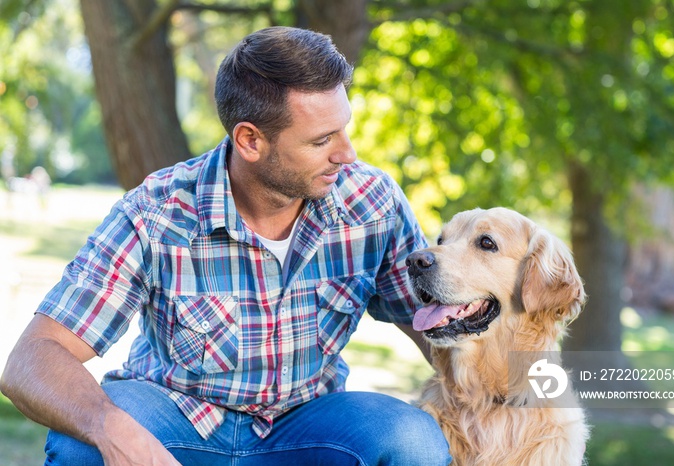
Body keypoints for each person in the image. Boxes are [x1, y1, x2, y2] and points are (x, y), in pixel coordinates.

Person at [0, 26, 451, 465]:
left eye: (343, 129)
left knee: (415, 441)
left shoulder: (372, 203)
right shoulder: (155, 213)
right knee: (83, 446)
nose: (347, 153)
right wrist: (109, 427)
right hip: (177, 418)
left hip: (311, 425)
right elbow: (31, 359)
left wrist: (520, 393)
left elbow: (444, 327)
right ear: (250, 140)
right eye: (322, 140)